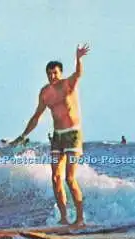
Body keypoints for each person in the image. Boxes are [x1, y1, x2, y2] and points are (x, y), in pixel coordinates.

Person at [9, 44, 90, 225]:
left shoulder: (68, 85)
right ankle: (63, 219)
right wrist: (23, 136)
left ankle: (80, 219)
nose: (52, 76)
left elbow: (79, 74)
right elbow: (36, 116)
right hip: (57, 138)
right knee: (55, 178)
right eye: (49, 73)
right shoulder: (45, 93)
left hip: (73, 135)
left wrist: (78, 59)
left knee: (70, 178)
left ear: (60, 73)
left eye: (55, 72)